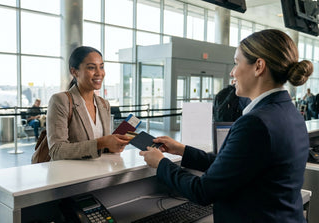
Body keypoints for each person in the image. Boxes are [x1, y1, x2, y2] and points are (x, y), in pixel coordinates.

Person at [139, 29, 312, 222]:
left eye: (237, 62)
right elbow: (233, 167)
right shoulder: (290, 112)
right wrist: (183, 150)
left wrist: (161, 163)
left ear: (259, 66)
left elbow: (203, 191)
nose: (232, 72)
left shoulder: (255, 123)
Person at [47, 46, 130, 160]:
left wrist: (112, 146)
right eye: (91, 68)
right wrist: (101, 143)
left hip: (100, 172)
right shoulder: (61, 101)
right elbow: (57, 150)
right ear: (74, 71)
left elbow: (101, 147)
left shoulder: (104, 104)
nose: (99, 73)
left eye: (101, 67)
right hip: (72, 175)